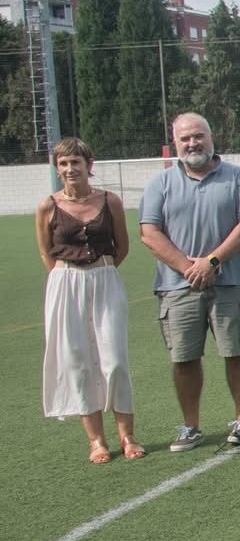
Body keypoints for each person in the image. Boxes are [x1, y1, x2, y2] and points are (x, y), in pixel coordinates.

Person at [139, 112, 240, 450]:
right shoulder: (160, 183)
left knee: (236, 352)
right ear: (175, 144)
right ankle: (190, 426)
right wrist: (188, 267)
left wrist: (212, 261)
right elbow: (149, 233)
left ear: (211, 137)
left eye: (198, 136)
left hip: (229, 281)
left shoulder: (235, 177)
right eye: (185, 139)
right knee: (184, 358)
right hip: (178, 287)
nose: (193, 143)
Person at [37, 136, 140, 462]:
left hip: (105, 279)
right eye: (63, 164)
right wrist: (69, 277)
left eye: (75, 163)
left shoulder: (109, 201)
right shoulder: (48, 206)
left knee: (116, 361)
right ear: (57, 168)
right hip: (65, 283)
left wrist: (100, 271)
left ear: (88, 166)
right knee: (77, 361)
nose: (70, 169)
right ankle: (96, 440)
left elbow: (121, 246)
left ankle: (127, 436)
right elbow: (45, 252)